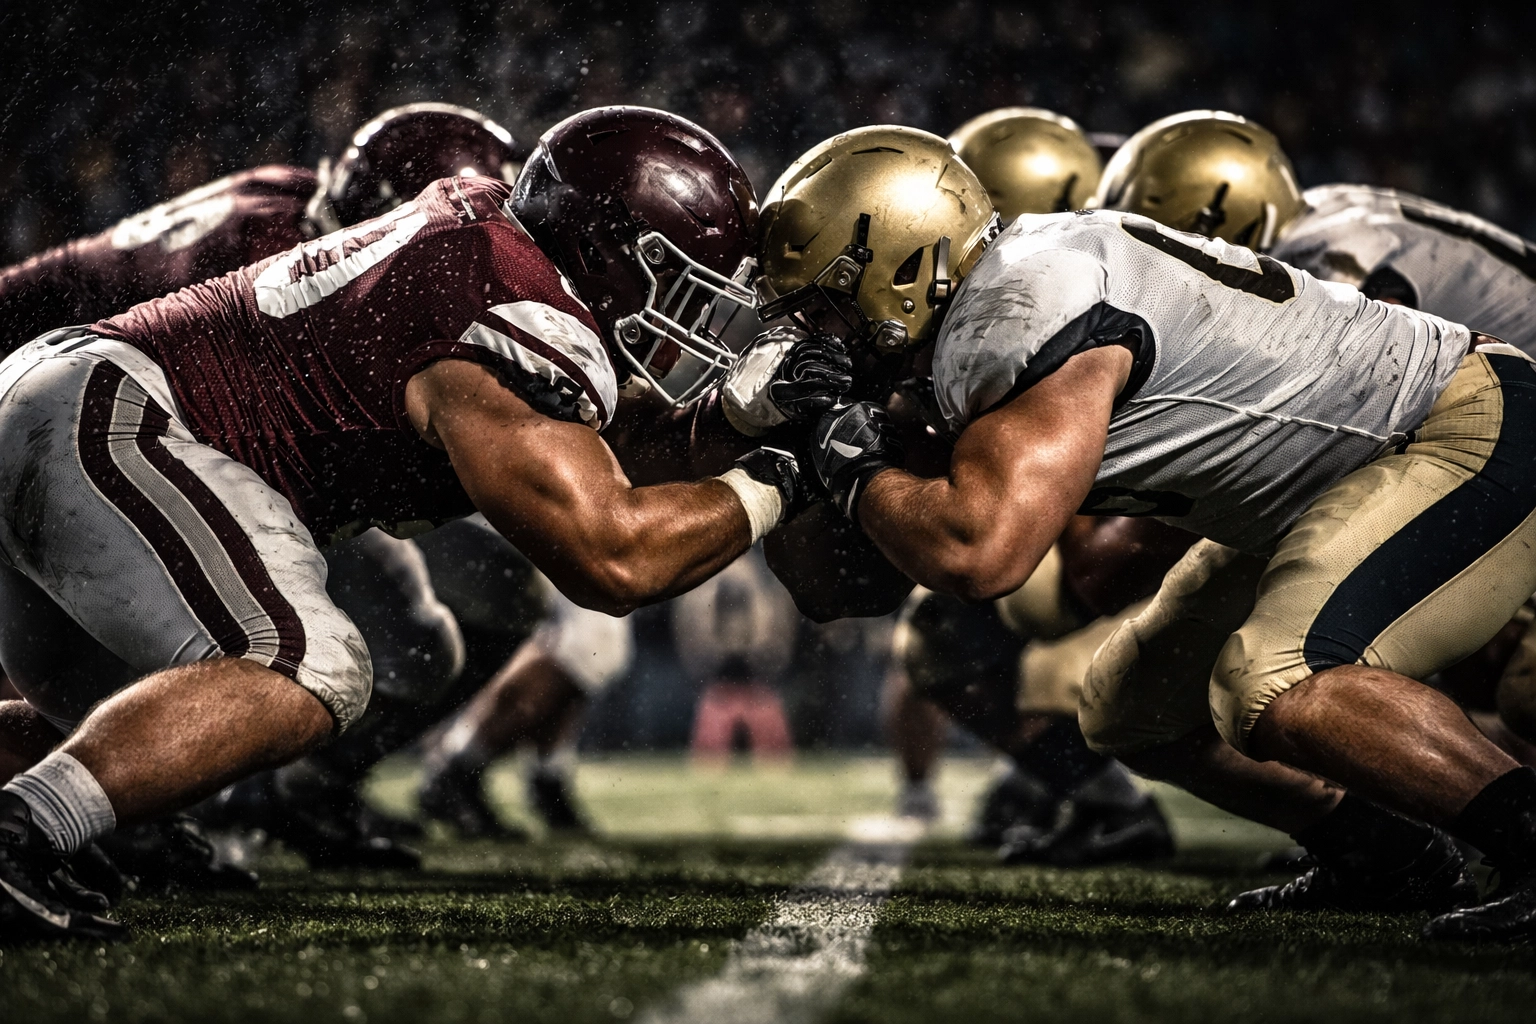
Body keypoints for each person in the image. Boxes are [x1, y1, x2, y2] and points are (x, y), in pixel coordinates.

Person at [0, 105, 807, 941]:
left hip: (67, 401)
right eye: (682, 287)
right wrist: (782, 481)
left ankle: (46, 814)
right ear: (606, 256)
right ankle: (16, 836)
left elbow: (603, 450)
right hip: (115, 424)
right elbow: (612, 559)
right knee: (309, 666)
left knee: (138, 743)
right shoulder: (512, 310)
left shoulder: (497, 249)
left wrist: (752, 420)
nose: (698, 324)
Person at [762, 123, 1536, 941]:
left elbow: (978, 553)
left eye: (823, 303)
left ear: (908, 267)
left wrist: (849, 456)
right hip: (1330, 479)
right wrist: (807, 451)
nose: (815, 330)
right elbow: (841, 588)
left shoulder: (1015, 309)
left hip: (1457, 427)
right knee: (1133, 708)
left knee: (1277, 679)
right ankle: (1387, 858)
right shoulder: (1009, 292)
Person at [1095, 109, 1536, 907]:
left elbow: (1360, 394)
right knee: (1133, 702)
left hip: (1471, 440)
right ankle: (1381, 855)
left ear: (1217, 224)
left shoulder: (1337, 255)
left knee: (1506, 685)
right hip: (1377, 461)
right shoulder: (1336, 219)